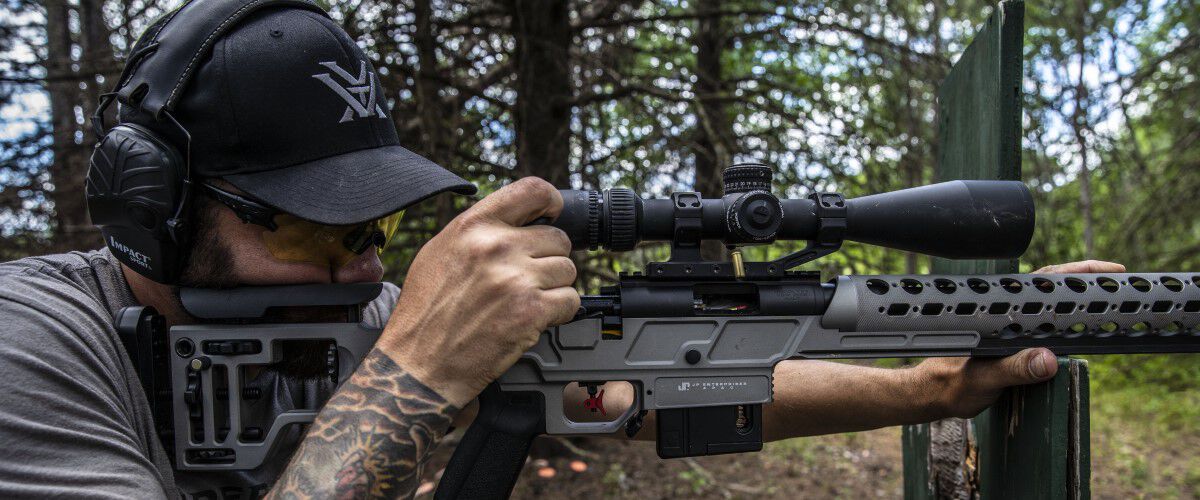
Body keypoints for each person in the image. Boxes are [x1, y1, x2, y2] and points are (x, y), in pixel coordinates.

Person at [0, 2, 1124, 499]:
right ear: (150, 204)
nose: (360, 272)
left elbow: (667, 379)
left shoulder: (353, 321)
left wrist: (933, 379)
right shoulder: (32, 344)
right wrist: (420, 374)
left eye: (374, 229)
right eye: (305, 226)